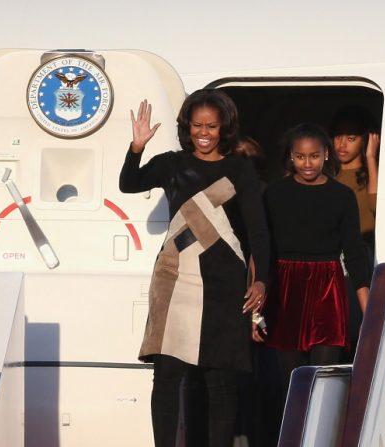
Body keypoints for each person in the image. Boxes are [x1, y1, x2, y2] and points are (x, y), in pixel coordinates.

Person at [119, 90, 270, 447]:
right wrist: (136, 147)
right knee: (168, 375)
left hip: (223, 282)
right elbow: (129, 183)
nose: (204, 132)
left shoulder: (238, 168)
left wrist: (261, 279)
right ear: (188, 126)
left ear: (224, 128)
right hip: (175, 279)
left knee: (221, 380)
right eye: (197, 125)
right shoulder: (171, 163)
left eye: (212, 126)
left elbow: (258, 229)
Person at [263, 123, 371, 401]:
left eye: (313, 156)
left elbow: (355, 253)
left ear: (326, 154)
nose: (307, 163)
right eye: (300, 156)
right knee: (293, 385)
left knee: (323, 382)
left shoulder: (342, 196)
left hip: (327, 287)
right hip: (286, 288)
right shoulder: (274, 194)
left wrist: (368, 311)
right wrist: (257, 305)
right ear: (291, 156)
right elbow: (263, 250)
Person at [330, 106, 380, 361]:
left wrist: (371, 159)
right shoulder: (327, 176)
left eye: (351, 139)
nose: (342, 145)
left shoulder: (369, 176)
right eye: (338, 137)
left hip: (361, 253)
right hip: (331, 256)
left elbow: (376, 210)